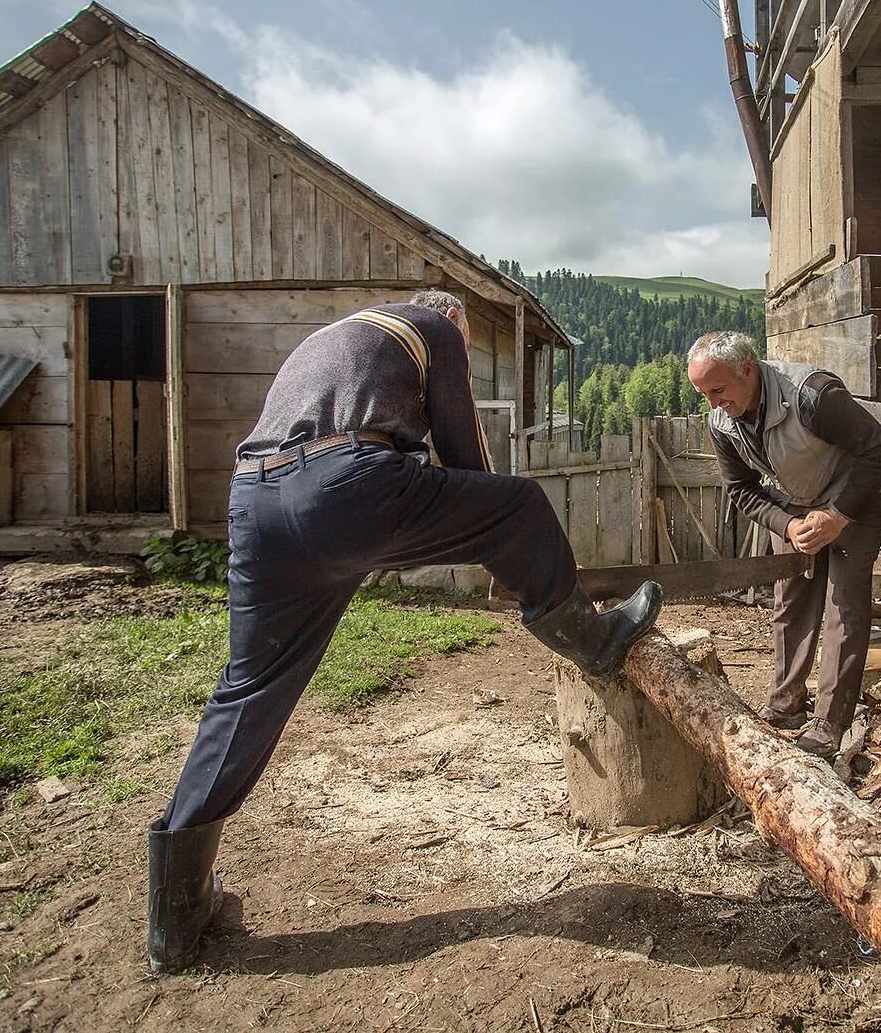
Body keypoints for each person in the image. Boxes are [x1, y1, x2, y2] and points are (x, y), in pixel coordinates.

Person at [147, 290, 661, 971]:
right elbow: (464, 450)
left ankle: (173, 924)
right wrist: (504, 548)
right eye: (468, 342)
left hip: (255, 503)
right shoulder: (431, 326)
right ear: (450, 318)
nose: (465, 354)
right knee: (520, 505)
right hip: (344, 491)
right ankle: (595, 644)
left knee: (248, 692)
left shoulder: (331, 338)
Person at [686, 332, 881, 759]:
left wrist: (837, 516)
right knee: (791, 603)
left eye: (718, 390)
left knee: (844, 608)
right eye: (703, 394)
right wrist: (788, 524)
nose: (712, 403)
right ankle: (785, 704)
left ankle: (829, 723)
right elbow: (742, 490)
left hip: (856, 499)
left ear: (747, 369)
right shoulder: (721, 423)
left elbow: (880, 451)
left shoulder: (813, 396)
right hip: (796, 504)